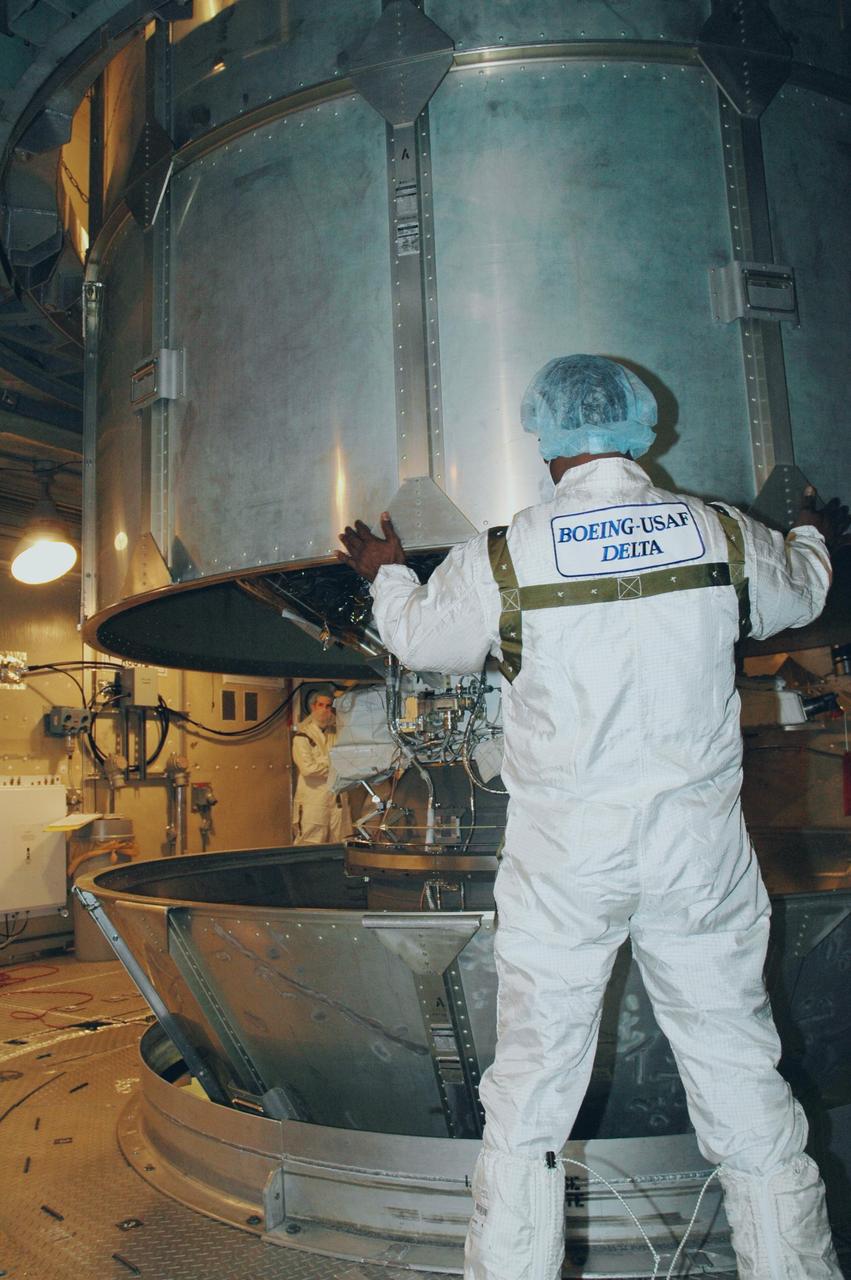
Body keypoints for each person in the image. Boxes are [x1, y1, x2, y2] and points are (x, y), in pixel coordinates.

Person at [337, 354, 848, 1280]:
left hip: (567, 858)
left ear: (546, 443)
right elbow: (802, 593)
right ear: (643, 435)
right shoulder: (722, 533)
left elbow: (418, 642)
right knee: (739, 1071)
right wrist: (808, 531)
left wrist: (387, 573)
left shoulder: (506, 553)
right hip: (697, 852)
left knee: (532, 1090)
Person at [291, 688, 346, 845]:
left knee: (339, 844)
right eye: (321, 705)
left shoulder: (335, 735)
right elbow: (308, 770)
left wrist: (325, 765)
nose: (324, 710)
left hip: (335, 801)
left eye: (328, 706)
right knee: (310, 842)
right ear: (313, 707)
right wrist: (333, 766)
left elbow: (346, 762)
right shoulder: (302, 737)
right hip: (312, 801)